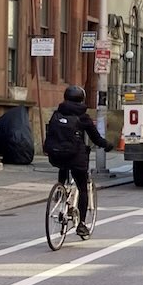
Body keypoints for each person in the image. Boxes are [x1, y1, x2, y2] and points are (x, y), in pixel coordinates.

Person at [45, 85, 114, 236]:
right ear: (81, 99)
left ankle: (60, 190)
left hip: (55, 155)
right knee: (82, 188)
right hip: (75, 157)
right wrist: (107, 145)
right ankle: (82, 224)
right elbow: (95, 138)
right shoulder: (83, 117)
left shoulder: (57, 114)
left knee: (63, 166)